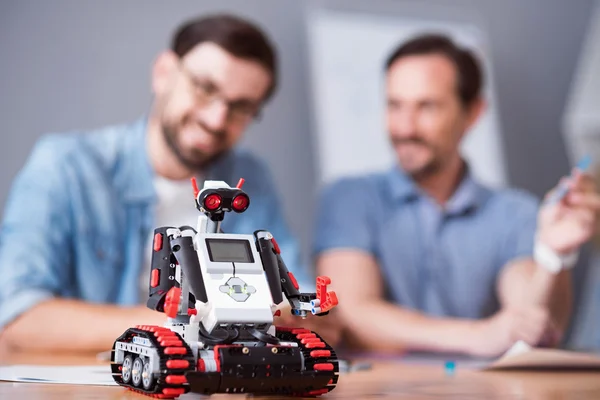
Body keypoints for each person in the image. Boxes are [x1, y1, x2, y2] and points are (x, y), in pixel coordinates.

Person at [0, 14, 313, 352]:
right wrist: (186, 324)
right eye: (205, 88)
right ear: (164, 73)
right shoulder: (66, 165)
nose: (216, 119)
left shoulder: (250, 179)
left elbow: (300, 303)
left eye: (241, 107)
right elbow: (18, 317)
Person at [313, 34, 600, 357]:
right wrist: (480, 335)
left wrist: (553, 257)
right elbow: (350, 312)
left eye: (427, 107)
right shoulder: (349, 199)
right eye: (395, 105)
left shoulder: (515, 212)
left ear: (473, 113)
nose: (405, 128)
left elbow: (530, 323)